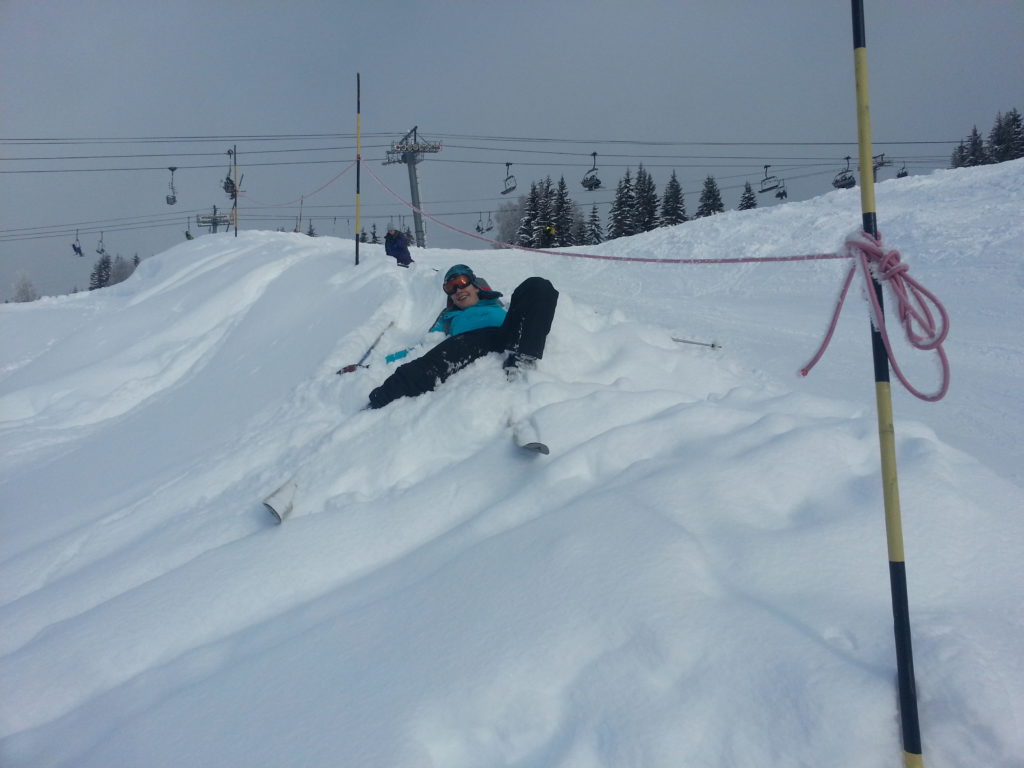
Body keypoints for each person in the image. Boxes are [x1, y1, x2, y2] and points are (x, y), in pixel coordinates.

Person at [366, 264, 558, 409]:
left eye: (461, 283)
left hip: (507, 334)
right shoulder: (448, 318)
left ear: (476, 286)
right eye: (451, 288)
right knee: (436, 359)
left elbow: (533, 312)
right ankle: (383, 397)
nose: (457, 291)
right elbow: (421, 349)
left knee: (537, 286)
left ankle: (523, 361)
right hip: (471, 342)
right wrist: (369, 366)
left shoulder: (500, 306)